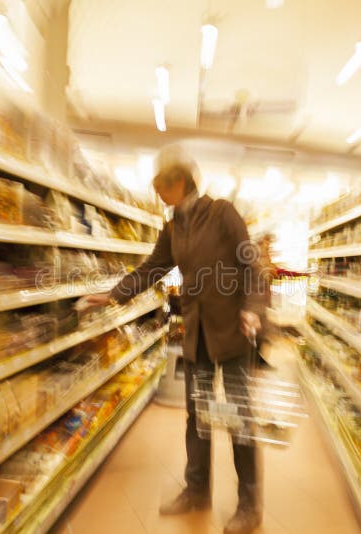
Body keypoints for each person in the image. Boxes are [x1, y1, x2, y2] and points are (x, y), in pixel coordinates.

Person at [84, 156, 268, 534]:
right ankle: (197, 490)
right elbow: (153, 267)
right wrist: (113, 295)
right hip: (198, 334)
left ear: (181, 183)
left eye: (161, 188)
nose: (157, 195)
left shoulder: (222, 214)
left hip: (232, 333)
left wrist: (253, 308)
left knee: (239, 420)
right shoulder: (172, 228)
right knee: (197, 416)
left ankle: (250, 505)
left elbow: (251, 264)